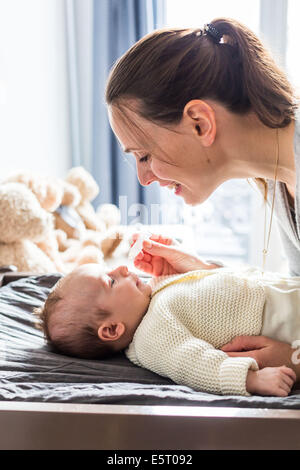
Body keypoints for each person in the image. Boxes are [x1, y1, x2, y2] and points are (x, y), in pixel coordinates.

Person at [105, 18, 300, 376]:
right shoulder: (276, 179)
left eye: (144, 154)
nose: (143, 179)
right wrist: (207, 278)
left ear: (199, 122)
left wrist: (295, 361)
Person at [35, 234, 298, 398]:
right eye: (111, 281)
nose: (122, 269)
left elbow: (209, 288)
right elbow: (194, 364)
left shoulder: (156, 292)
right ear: (113, 329)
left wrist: (196, 268)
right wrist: (250, 379)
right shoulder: (151, 339)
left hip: (280, 292)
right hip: (277, 321)